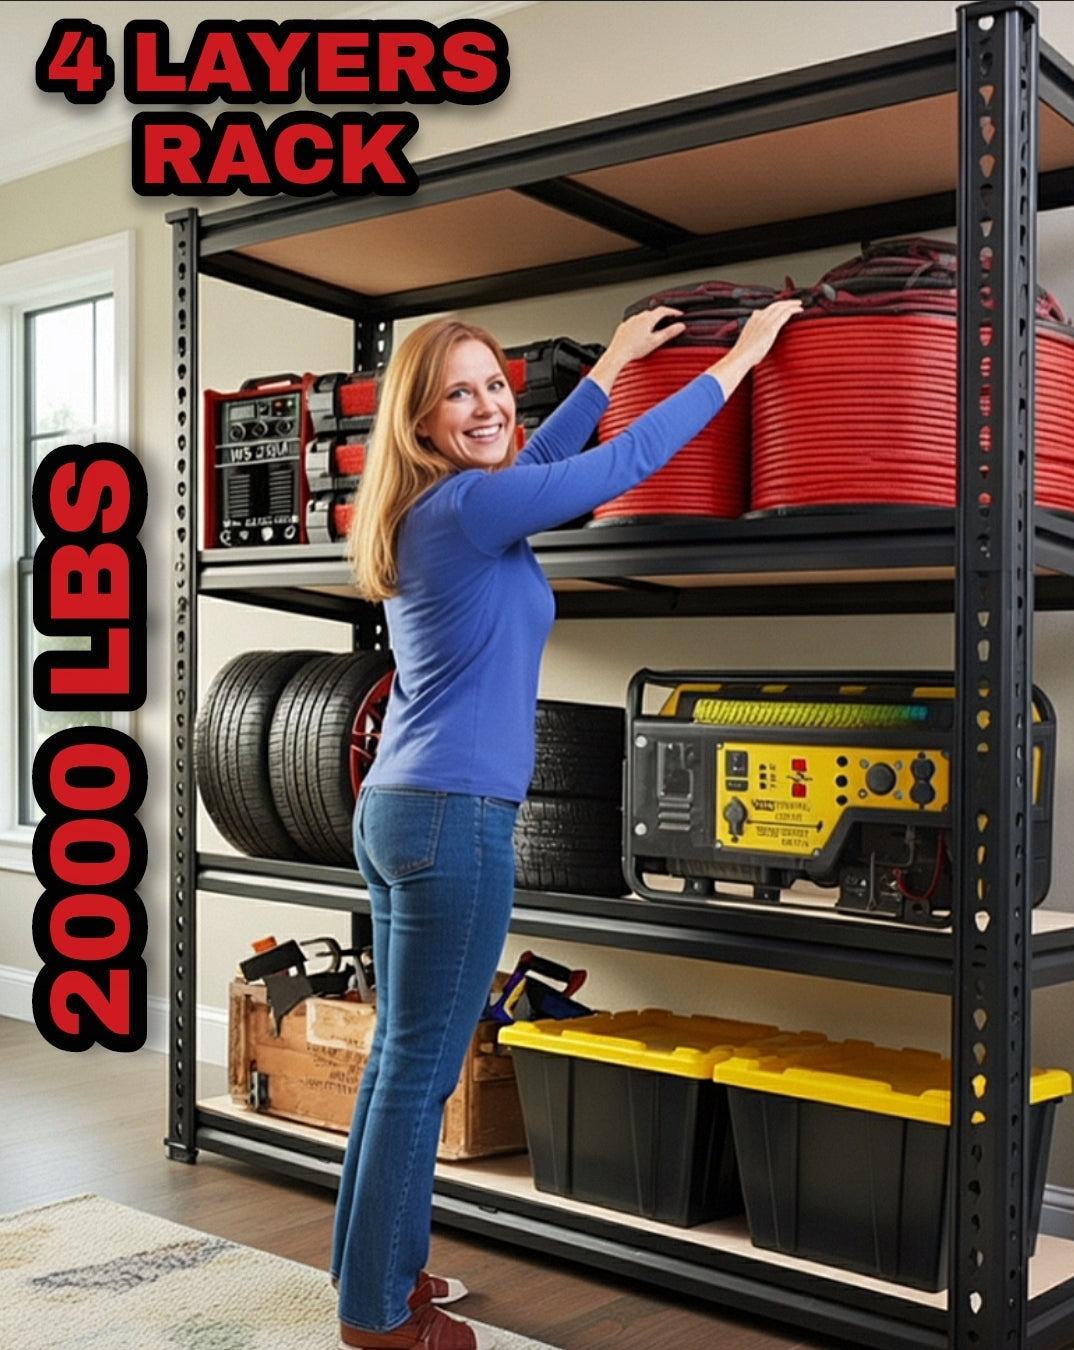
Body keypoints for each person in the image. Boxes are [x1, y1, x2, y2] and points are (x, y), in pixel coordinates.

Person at [330, 296, 801, 1350]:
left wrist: (615, 359)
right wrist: (744, 358)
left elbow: (538, 458)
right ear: (418, 419)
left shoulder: (444, 507)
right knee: (418, 1070)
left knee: (400, 1065)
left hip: (403, 808)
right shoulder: (465, 513)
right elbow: (616, 466)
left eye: (495, 381)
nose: (488, 403)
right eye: (460, 391)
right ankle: (377, 1318)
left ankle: (378, 1278)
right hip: (455, 820)